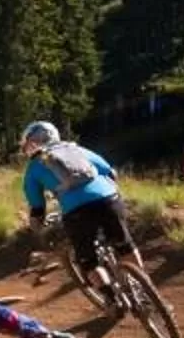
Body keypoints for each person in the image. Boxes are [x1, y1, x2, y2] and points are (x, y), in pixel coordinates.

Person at [19, 119, 141, 299]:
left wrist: (38, 225)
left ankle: (112, 300)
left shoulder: (34, 166)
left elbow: (37, 206)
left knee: (89, 262)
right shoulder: (76, 149)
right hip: (109, 200)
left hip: (77, 212)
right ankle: (143, 290)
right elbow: (110, 172)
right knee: (126, 246)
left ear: (33, 142)